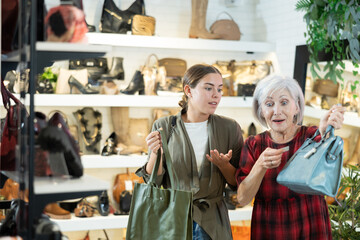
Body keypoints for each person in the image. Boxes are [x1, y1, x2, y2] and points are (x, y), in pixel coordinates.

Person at [136, 64, 244, 239]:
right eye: (208, 88)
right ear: (188, 90)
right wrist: (156, 155)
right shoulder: (164, 126)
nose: (216, 95)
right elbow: (154, 182)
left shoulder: (230, 128)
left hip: (213, 224)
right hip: (173, 222)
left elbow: (237, 184)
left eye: (219, 89)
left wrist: (224, 166)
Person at [235, 75, 345, 240]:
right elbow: (243, 199)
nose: (277, 111)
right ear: (261, 110)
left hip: (311, 223)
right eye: (269, 104)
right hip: (270, 227)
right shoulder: (254, 144)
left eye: (284, 102)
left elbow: (327, 165)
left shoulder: (310, 137)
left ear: (297, 107)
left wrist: (324, 133)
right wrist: (260, 166)